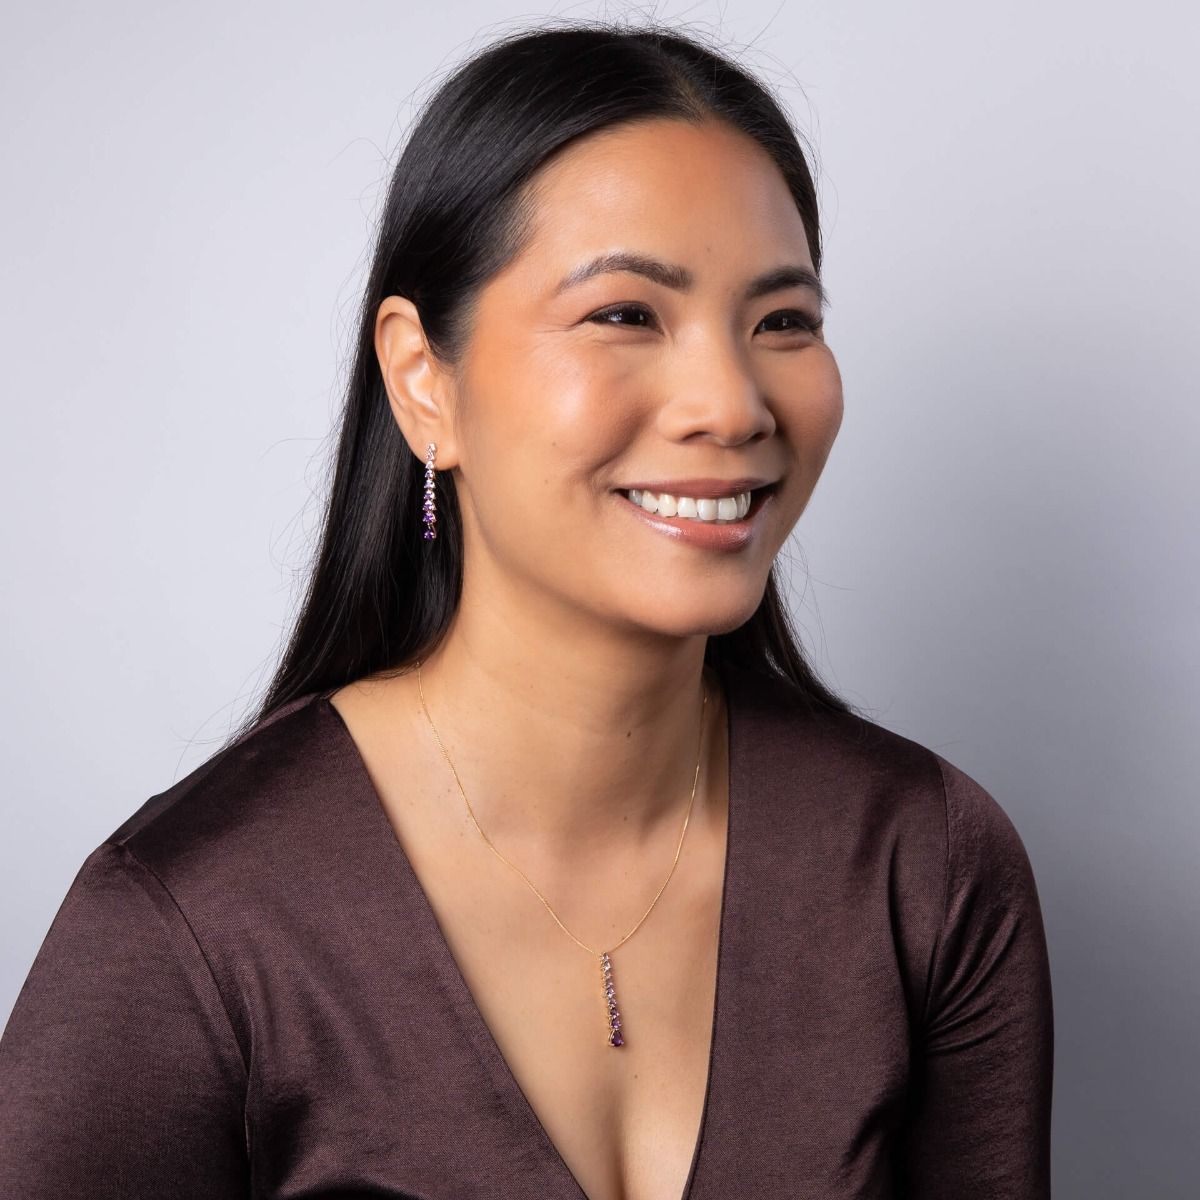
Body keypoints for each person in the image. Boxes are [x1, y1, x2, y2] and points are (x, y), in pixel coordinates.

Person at [0, 19, 1054, 1200]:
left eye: (784, 322)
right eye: (623, 315)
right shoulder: (185, 924)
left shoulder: (928, 864)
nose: (731, 402)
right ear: (422, 380)